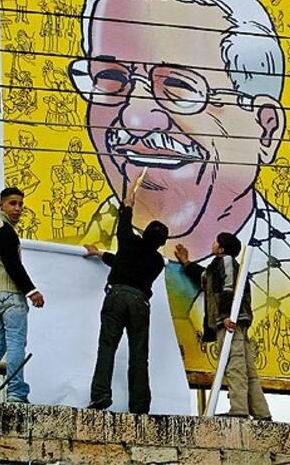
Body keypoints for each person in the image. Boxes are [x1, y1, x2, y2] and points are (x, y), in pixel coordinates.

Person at [68, 0, 290, 378]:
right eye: (110, 78)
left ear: (265, 129)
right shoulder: (63, 258)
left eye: (180, 86)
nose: (135, 116)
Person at [84, 174, 169, 414]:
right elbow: (126, 263)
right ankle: (140, 405)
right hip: (140, 303)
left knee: (107, 347)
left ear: (143, 234)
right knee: (139, 355)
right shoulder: (158, 262)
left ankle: (100, 395)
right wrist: (101, 254)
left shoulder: (128, 241)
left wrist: (131, 195)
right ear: (161, 243)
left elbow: (125, 217)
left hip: (117, 296)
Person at [174, 233, 271, 420]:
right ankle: (261, 413)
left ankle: (239, 410)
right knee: (247, 368)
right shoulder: (215, 268)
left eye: (216, 240)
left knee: (235, 364)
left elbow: (228, 288)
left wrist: (225, 315)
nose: (213, 243)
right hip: (233, 321)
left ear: (222, 248)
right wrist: (186, 262)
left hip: (230, 322)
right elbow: (204, 278)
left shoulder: (226, 261)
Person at [0, 187, 44, 402]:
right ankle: (16, 392)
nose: (18, 209)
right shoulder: (4, 230)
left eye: (20, 204)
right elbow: (12, 264)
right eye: (12, 203)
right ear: (1, 205)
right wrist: (31, 291)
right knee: (16, 343)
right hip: (9, 296)